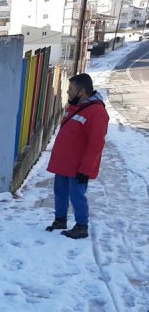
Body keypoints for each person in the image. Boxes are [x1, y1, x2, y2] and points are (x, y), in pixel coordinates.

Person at [45, 73, 109, 239]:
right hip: (64, 163)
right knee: (60, 192)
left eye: (71, 89)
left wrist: (86, 169)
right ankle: (60, 220)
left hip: (78, 166)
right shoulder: (75, 107)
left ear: (82, 91)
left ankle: (82, 226)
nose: (68, 92)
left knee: (77, 196)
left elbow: (96, 144)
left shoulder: (96, 112)